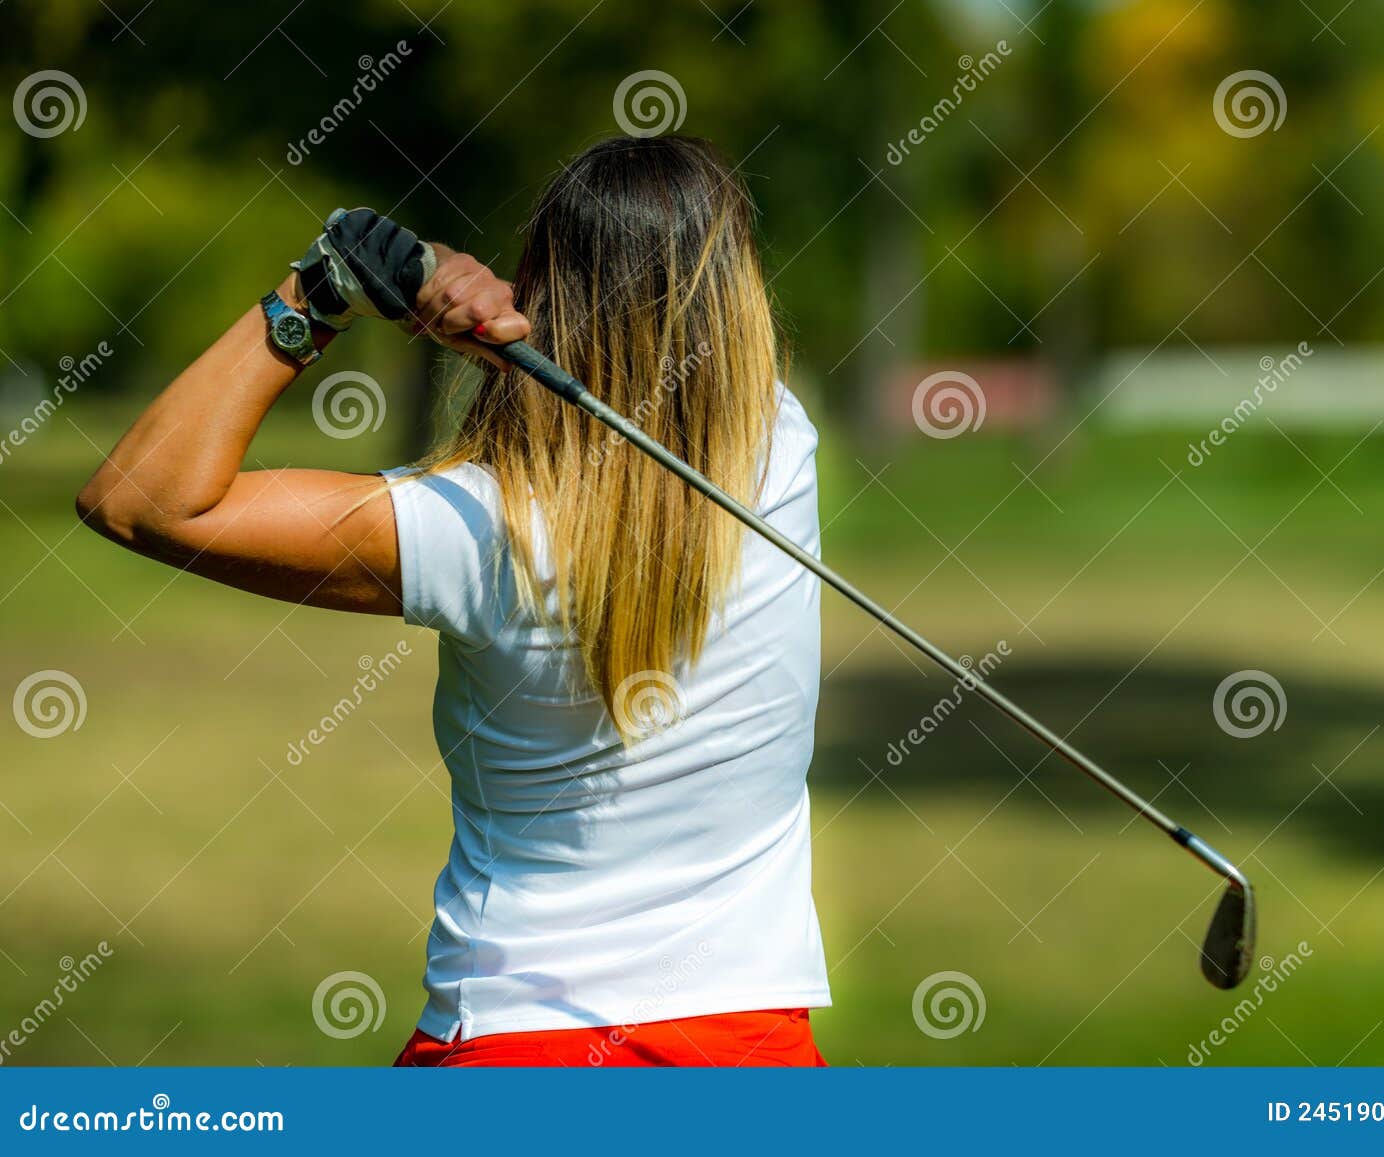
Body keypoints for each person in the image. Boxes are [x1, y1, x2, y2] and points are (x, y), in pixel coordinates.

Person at [76, 136, 830, 1067]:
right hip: (754, 1055)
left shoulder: (473, 525)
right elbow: (658, 375)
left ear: (545, 292)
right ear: (742, 298)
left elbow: (142, 498)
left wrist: (322, 290)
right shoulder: (784, 455)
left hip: (510, 1055)